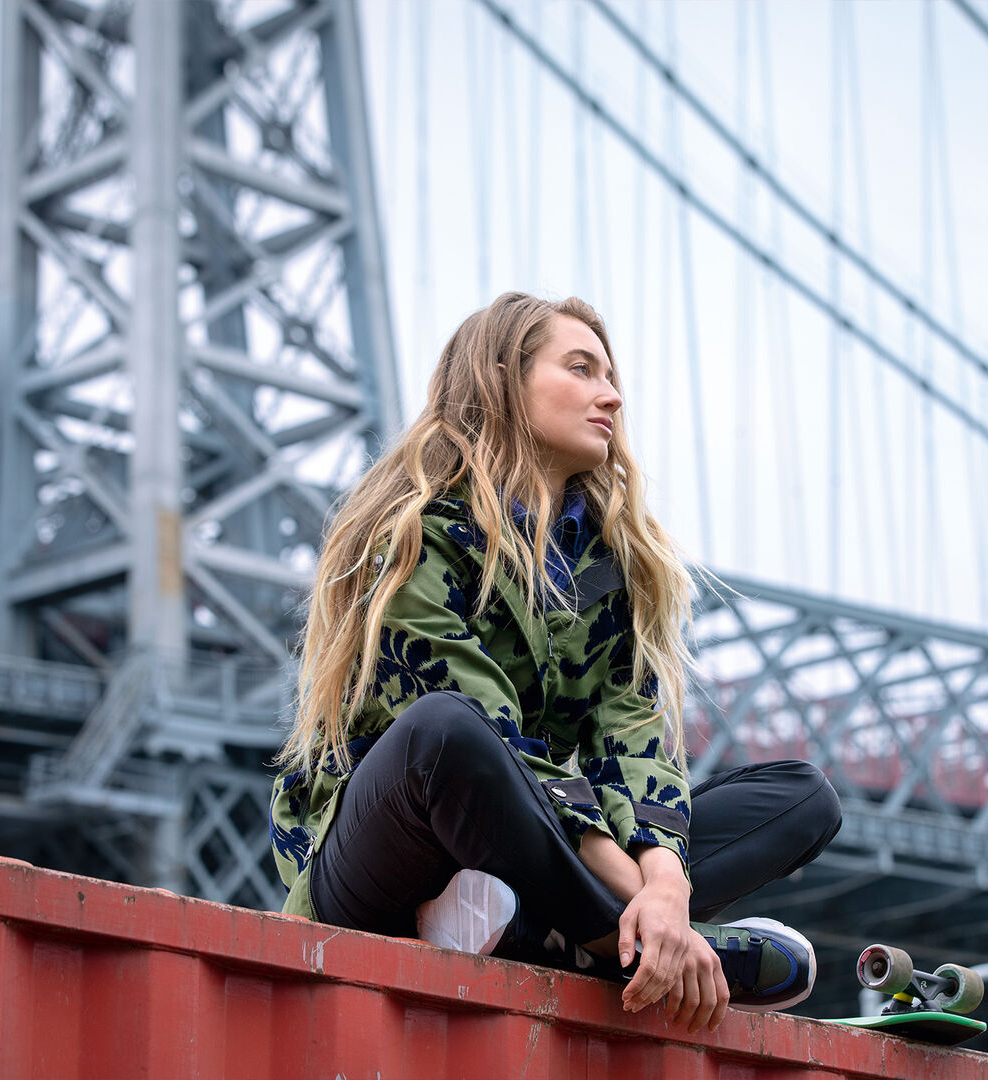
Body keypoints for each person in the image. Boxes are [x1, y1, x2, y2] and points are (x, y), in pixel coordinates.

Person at [269, 292, 842, 1034]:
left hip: (529, 860)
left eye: (611, 377)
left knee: (802, 797)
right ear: (503, 379)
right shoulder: (415, 530)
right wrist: (647, 903)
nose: (613, 396)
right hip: (384, 861)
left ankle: (537, 934)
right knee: (449, 729)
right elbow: (494, 741)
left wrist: (666, 884)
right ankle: (620, 948)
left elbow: (633, 743)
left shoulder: (609, 567)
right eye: (581, 369)